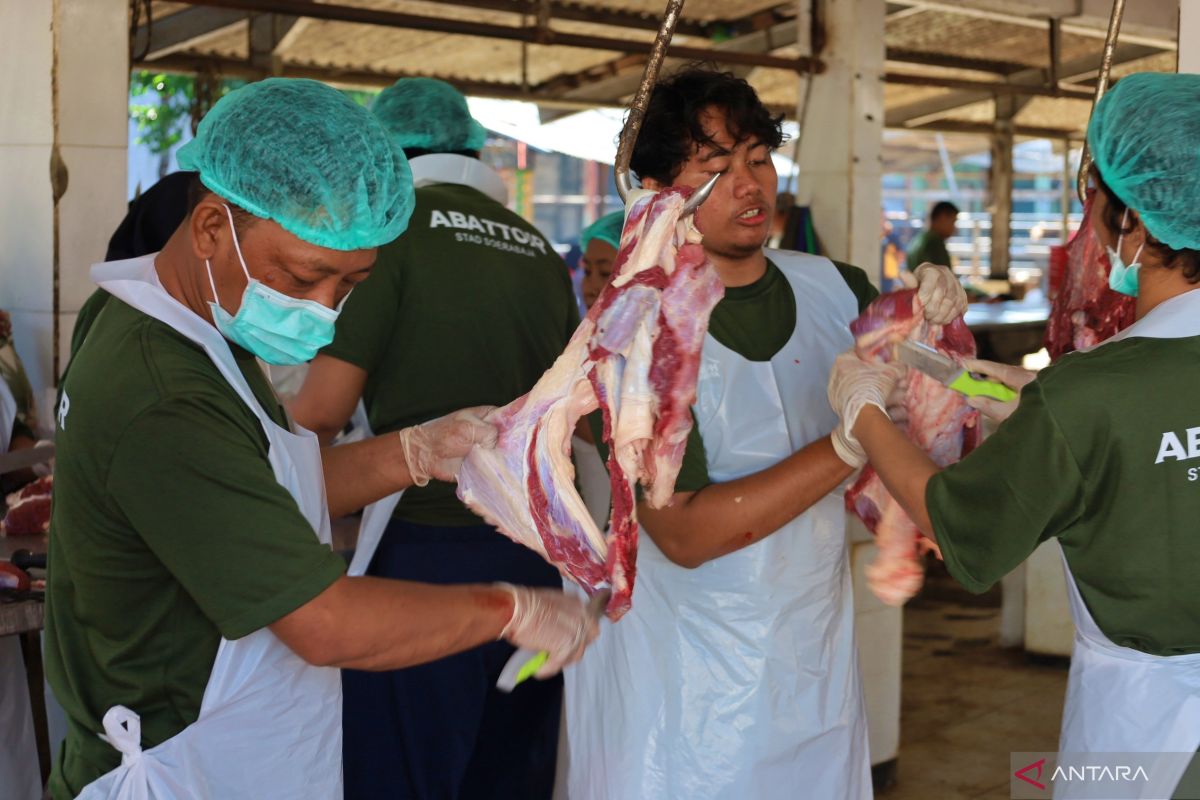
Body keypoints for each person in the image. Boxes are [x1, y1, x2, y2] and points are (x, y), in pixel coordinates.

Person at [44, 78, 597, 800]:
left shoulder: (182, 320)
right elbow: (324, 623)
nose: (326, 311)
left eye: (351, 284)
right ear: (212, 228)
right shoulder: (164, 392)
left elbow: (258, 486)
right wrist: (512, 609)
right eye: (307, 277)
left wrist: (413, 452)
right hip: (176, 766)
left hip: (230, 746)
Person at [563, 66, 966, 800]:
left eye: (758, 158)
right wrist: (847, 443)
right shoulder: (630, 332)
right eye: (716, 168)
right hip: (684, 686)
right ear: (658, 193)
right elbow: (684, 535)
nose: (750, 185)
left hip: (809, 652)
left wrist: (946, 340)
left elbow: (940, 411)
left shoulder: (836, 288)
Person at [829, 72, 1200, 800]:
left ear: (1129, 221)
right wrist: (966, 378)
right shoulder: (1092, 395)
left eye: (1091, 195)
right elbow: (1134, 409)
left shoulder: (1090, 396)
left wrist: (863, 410)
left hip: (1148, 741)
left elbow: (950, 518)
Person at [289, 78, 581, 800]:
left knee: (405, 776)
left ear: (381, 150)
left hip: (426, 552)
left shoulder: (391, 234)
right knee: (509, 775)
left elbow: (319, 411)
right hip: (540, 561)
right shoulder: (538, 246)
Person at [572, 211, 624, 525]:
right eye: (588, 271)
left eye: (604, 273)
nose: (591, 286)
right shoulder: (586, 347)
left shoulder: (649, 357)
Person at [905, 200, 958, 272]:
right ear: (942, 218)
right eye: (953, 222)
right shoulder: (934, 243)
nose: (954, 228)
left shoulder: (920, 240)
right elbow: (942, 280)